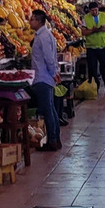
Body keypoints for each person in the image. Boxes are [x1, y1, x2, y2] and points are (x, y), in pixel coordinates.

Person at [29, 10, 61, 152]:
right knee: (51, 109)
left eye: (32, 19)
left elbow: (49, 58)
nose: (30, 21)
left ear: (39, 21)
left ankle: (52, 140)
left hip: (43, 78)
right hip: (44, 77)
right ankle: (55, 139)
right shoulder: (43, 35)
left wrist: (53, 73)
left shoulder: (43, 37)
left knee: (48, 110)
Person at [83, 2, 105, 96]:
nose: (95, 12)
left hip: (103, 47)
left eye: (96, 10)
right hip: (91, 47)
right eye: (92, 10)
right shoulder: (86, 18)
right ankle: (94, 88)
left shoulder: (104, 16)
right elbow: (83, 32)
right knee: (92, 69)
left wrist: (103, 29)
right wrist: (92, 30)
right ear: (89, 10)